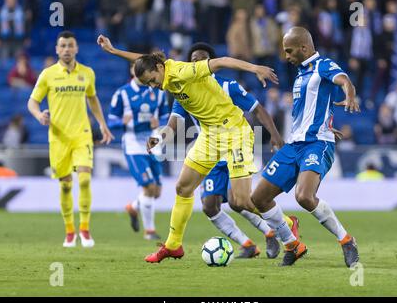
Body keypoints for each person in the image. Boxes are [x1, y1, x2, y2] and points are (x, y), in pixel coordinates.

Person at [97, 34, 300, 264]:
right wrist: (114, 52)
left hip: (234, 132)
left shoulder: (185, 71)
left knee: (241, 201)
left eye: (153, 80)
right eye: (149, 84)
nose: (154, 87)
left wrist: (255, 68)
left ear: (160, 68)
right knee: (183, 187)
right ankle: (173, 246)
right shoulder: (166, 76)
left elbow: (222, 60)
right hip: (210, 135)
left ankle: (286, 223)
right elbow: (144, 60)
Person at [169, 42, 301, 259]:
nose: (197, 63)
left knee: (239, 201)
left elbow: (257, 109)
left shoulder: (227, 85)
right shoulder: (184, 86)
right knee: (209, 206)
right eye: (193, 60)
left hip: (233, 146)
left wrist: (276, 136)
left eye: (202, 59)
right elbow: (175, 119)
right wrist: (161, 135)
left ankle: (276, 228)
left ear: (210, 63)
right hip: (209, 150)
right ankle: (248, 244)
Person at [250, 27, 360, 267]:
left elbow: (343, 80)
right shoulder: (301, 75)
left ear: (304, 48)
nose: (286, 56)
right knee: (258, 198)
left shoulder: (322, 65)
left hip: (317, 144)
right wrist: (328, 115)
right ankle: (293, 244)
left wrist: (350, 93)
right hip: (294, 145)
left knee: (304, 196)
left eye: (289, 51)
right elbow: (314, 106)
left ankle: (347, 241)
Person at [28, 31, 114, 248]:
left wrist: (102, 125)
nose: (66, 49)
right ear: (57, 49)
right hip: (58, 138)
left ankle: (84, 229)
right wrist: (39, 115)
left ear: (76, 49)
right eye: (63, 46)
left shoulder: (87, 73)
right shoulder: (48, 74)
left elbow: (93, 99)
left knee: (84, 180)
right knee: (66, 186)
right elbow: (32, 102)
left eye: (70, 45)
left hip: (81, 134)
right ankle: (69, 231)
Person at [108, 63, 169, 240]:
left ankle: (134, 207)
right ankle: (149, 231)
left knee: (156, 192)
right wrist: (123, 122)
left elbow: (166, 115)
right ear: (131, 70)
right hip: (133, 145)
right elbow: (111, 120)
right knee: (148, 187)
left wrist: (159, 122)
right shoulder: (122, 93)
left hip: (152, 142)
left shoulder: (158, 91)